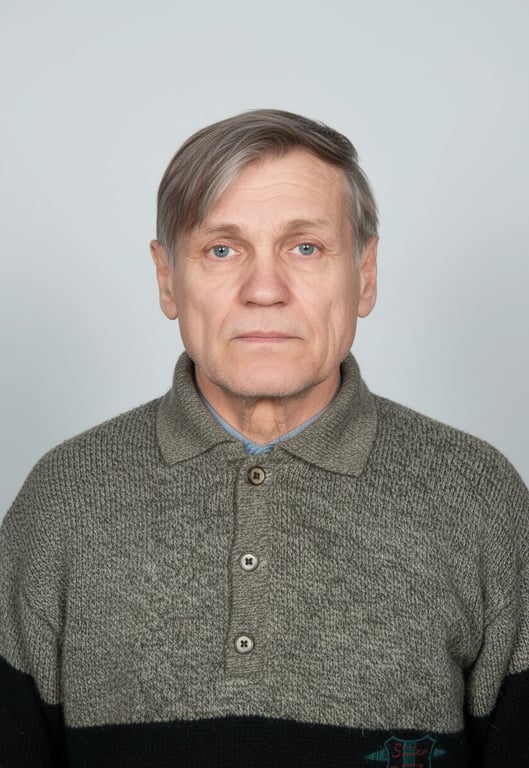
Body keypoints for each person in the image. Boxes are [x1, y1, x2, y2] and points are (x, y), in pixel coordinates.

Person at [1, 109, 528, 768]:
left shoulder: (480, 498)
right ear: (168, 278)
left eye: (304, 247)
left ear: (363, 274)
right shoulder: (62, 500)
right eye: (222, 249)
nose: (264, 290)